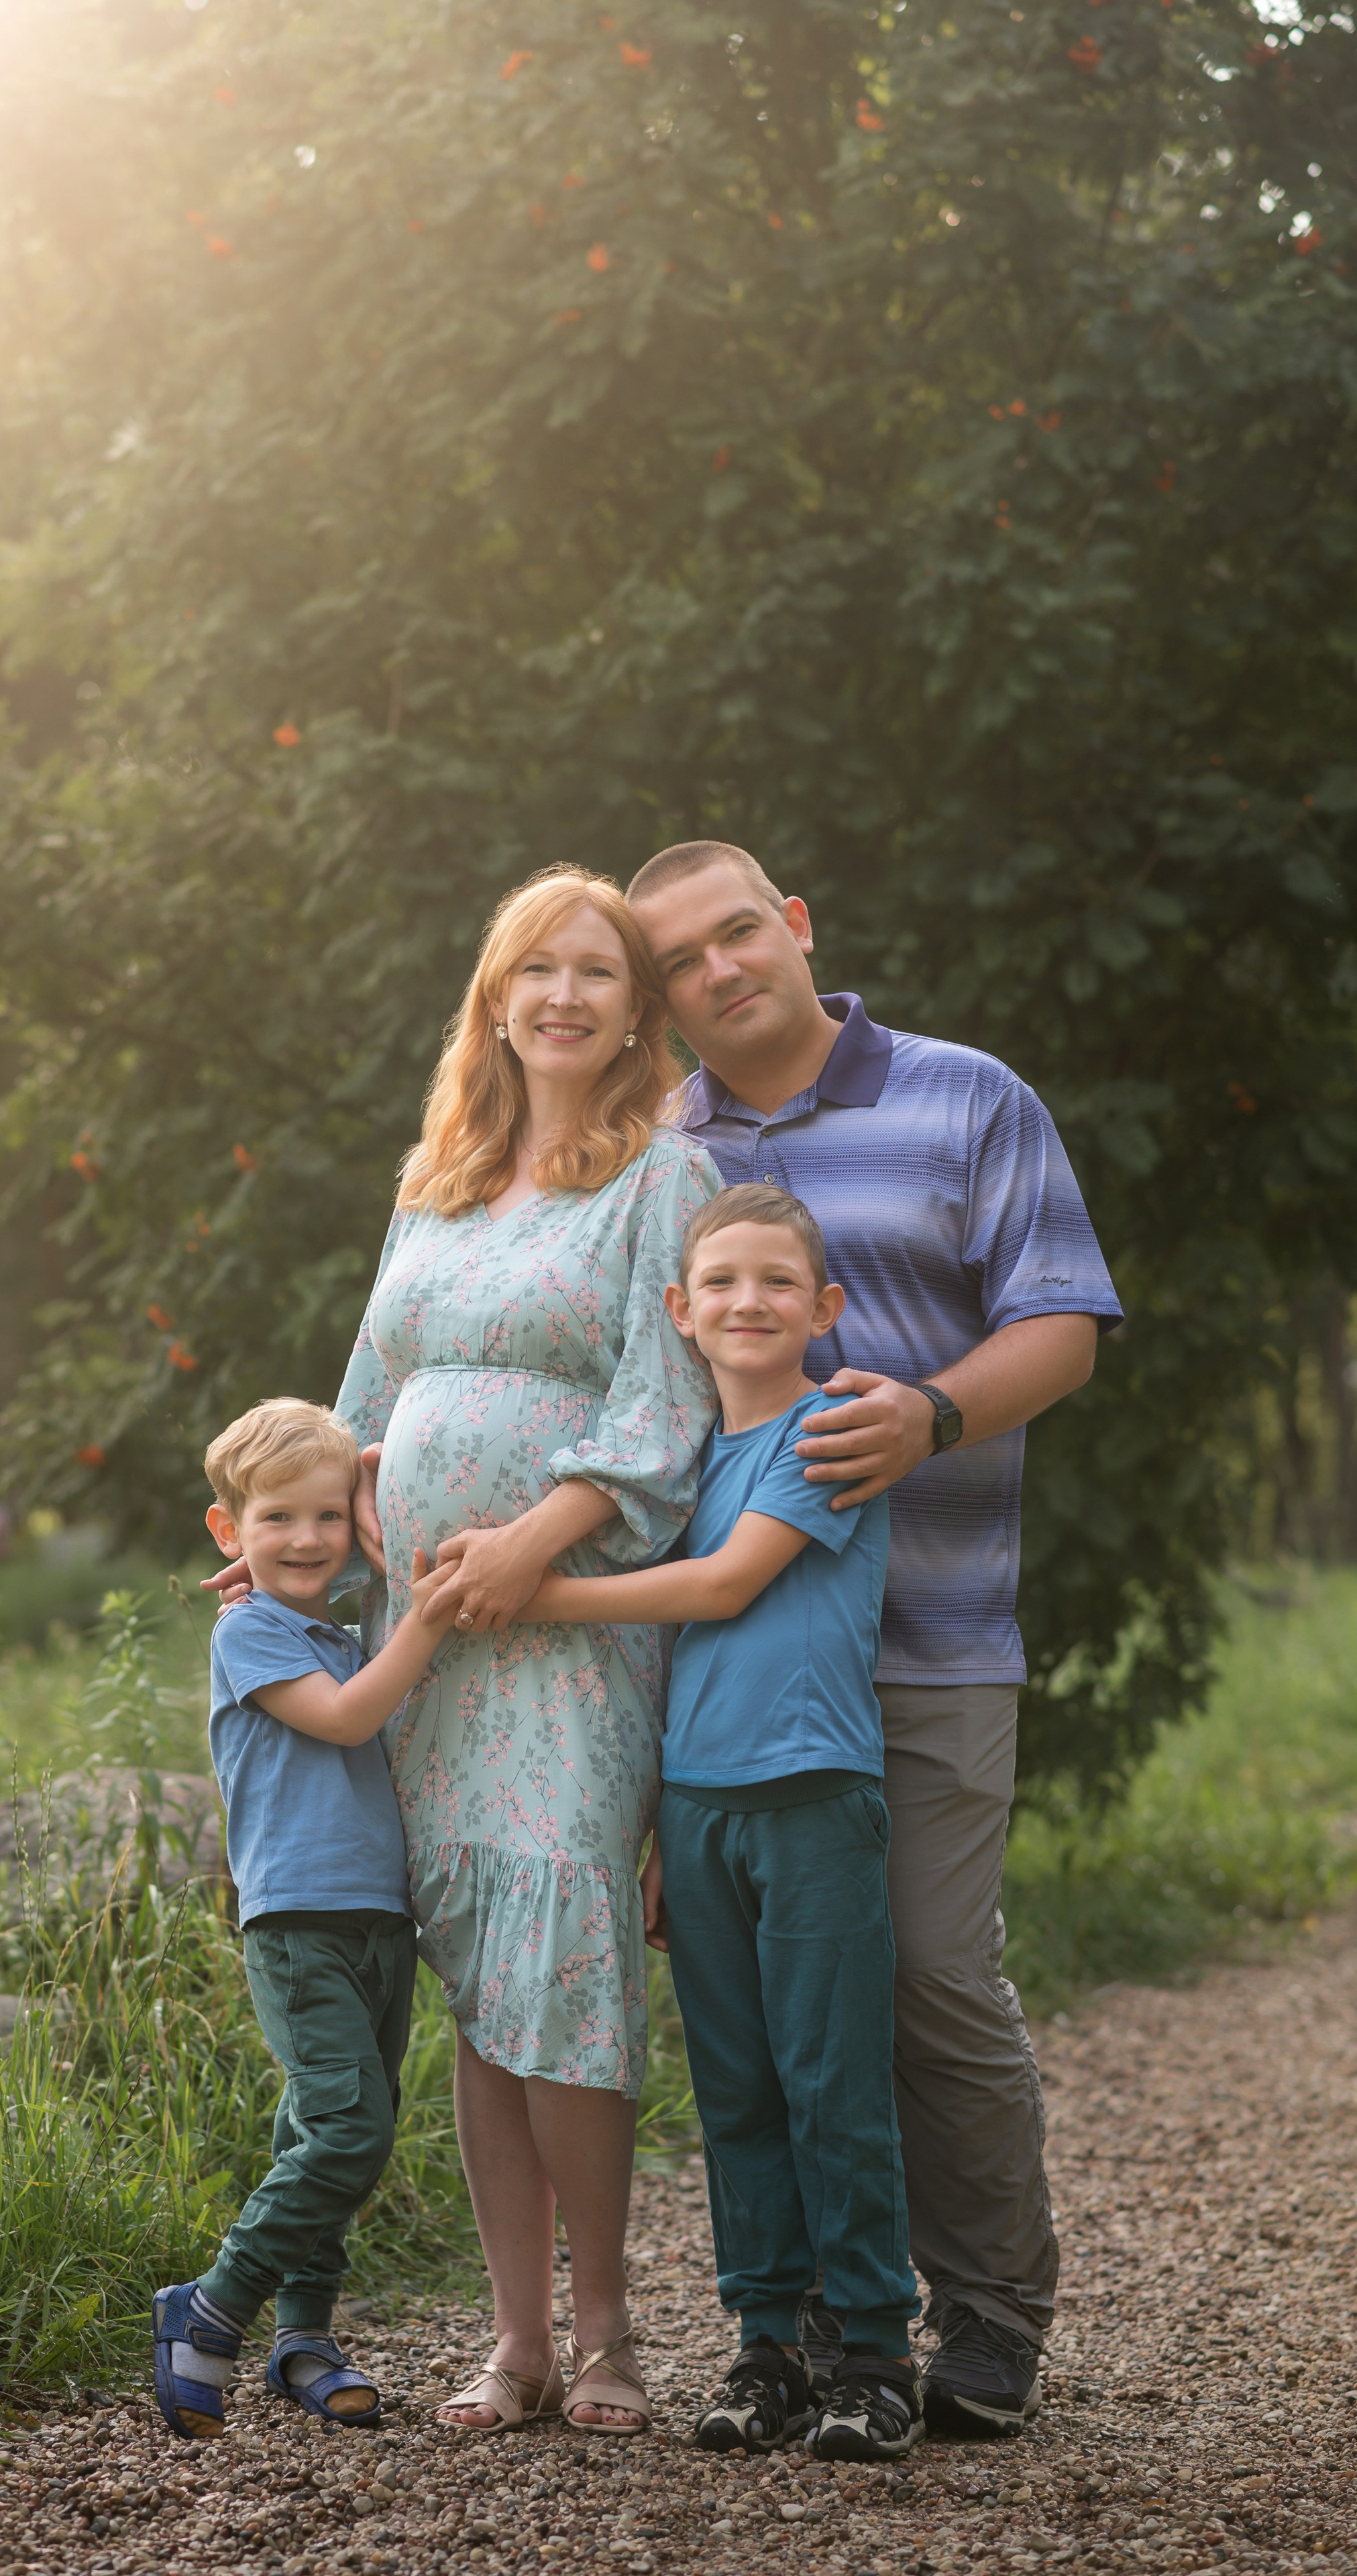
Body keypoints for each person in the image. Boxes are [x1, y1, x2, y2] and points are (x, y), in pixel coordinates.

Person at [625, 839, 1123, 2437]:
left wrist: (932, 1411)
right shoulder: (653, 1152)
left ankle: (985, 2310)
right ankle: (818, 2331)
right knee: (768, 2024)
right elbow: (594, 1376)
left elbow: (1061, 1322)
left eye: (736, 931)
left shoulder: (968, 1098)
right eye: (679, 960)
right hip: (730, 1676)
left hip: (932, 1637)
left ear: (794, 926)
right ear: (663, 996)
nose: (717, 968)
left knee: (922, 1972)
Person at [334, 864, 722, 2435]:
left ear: (634, 1009)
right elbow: (363, 1389)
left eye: (597, 971)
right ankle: (516, 2342)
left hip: (565, 1628)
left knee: (558, 1934)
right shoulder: (435, 1178)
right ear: (495, 999)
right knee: (479, 1966)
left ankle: (613, 2327)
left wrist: (522, 1545)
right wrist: (340, 1496)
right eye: (535, 969)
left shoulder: (661, 1181)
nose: (564, 994)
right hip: (424, 1638)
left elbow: (660, 1408)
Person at [514, 1182, 924, 2463]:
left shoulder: (831, 1432)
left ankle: (871, 2354)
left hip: (811, 1800)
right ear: (683, 1312)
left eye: (779, 1283)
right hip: (697, 1814)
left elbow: (726, 1583)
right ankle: (766, 2347)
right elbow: (677, 1663)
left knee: (831, 2084)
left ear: (825, 1308)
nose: (752, 1302)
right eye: (725, 1284)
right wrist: (651, 1827)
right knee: (736, 2091)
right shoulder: (687, 1462)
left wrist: (534, 1588)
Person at [152, 1397, 455, 2439]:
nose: (309, 1539)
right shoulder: (250, 1631)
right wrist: (424, 1617)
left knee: (324, 2130)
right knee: (348, 2128)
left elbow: (362, 1543)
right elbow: (346, 1716)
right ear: (227, 1531)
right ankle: (212, 2307)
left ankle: (304, 2339)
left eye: (329, 1517)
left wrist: (364, 1481)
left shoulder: (334, 1621)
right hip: (296, 1923)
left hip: (380, 1922)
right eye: (277, 1519)